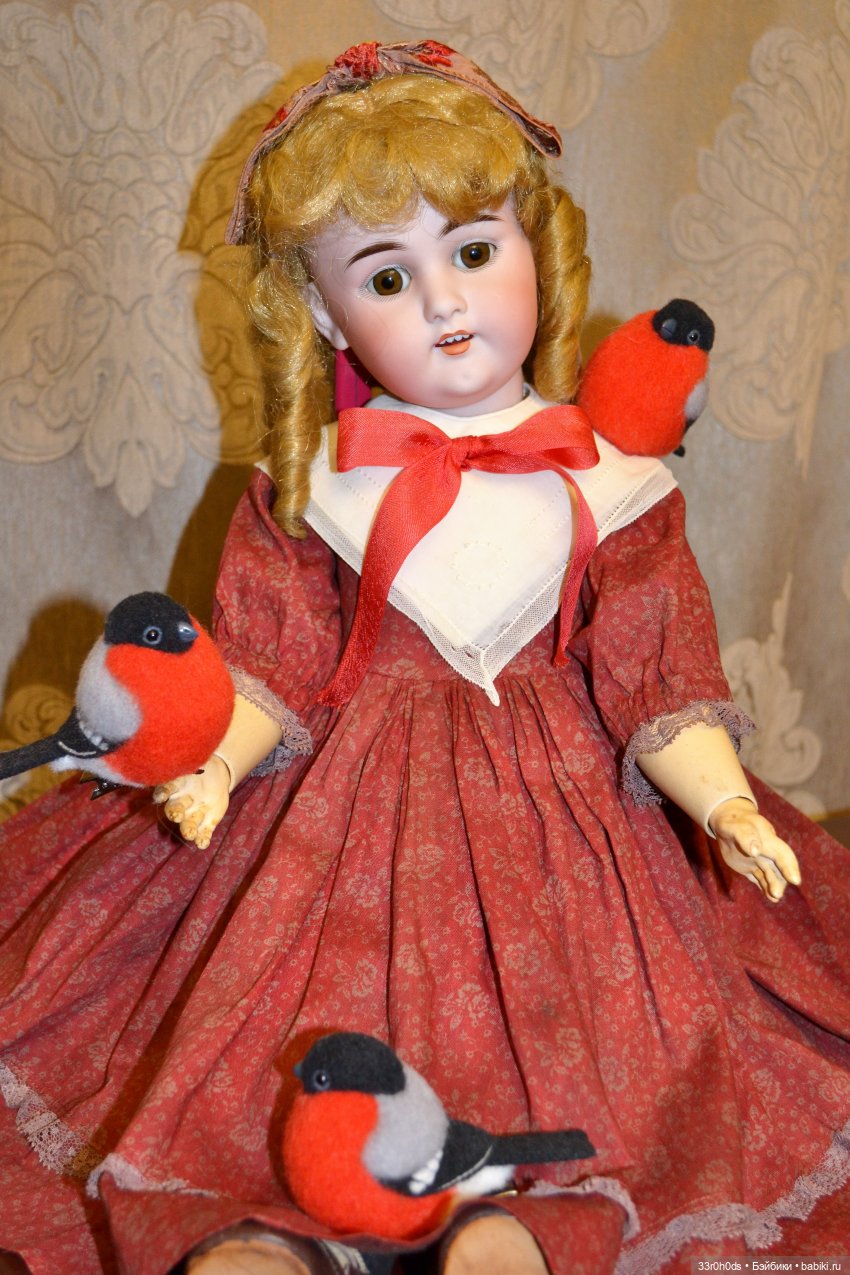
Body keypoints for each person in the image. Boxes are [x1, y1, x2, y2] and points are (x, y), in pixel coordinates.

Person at [0, 39, 848, 1275]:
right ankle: (265, 1231)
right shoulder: (315, 486)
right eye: (387, 277)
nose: (445, 303)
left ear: (534, 248)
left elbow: (655, 672)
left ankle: (527, 1224)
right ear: (323, 313)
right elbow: (272, 663)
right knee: (281, 1035)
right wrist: (217, 766)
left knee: (606, 1048)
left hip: (569, 831)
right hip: (336, 813)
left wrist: (722, 805)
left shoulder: (614, 482)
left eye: (473, 251)